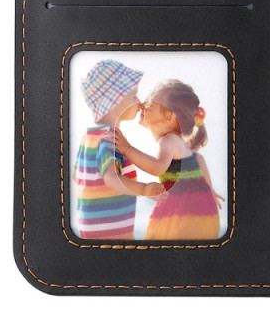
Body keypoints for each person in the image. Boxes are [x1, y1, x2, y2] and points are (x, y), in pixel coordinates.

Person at [115, 79, 223, 240]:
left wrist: (127, 149)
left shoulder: (168, 141)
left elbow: (158, 168)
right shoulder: (182, 145)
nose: (143, 106)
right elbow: (198, 159)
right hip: (204, 214)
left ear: (169, 115)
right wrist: (209, 191)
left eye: (150, 104)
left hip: (182, 214)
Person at [74, 59, 164, 239]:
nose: (139, 102)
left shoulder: (89, 138)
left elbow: (78, 178)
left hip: (92, 224)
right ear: (114, 101)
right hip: (110, 228)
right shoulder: (110, 139)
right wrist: (144, 189)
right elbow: (111, 178)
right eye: (133, 96)